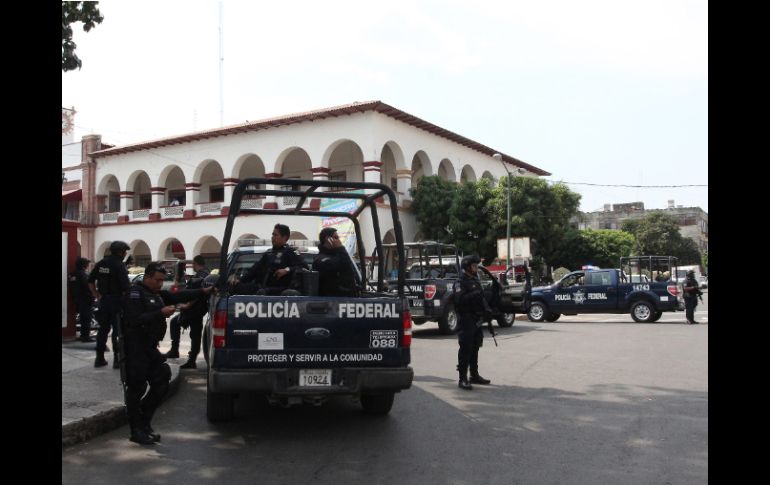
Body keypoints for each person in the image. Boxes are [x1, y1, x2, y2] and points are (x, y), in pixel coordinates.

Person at [122, 261, 214, 445]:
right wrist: (160, 313)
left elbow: (179, 295)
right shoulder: (135, 294)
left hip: (149, 348)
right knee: (136, 389)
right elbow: (133, 320)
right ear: (147, 277)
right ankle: (136, 430)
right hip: (135, 348)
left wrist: (202, 291)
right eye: (157, 280)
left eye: (162, 280)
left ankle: (144, 422)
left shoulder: (156, 294)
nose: (159, 284)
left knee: (162, 380)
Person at [89, 241, 131, 368]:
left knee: (102, 330)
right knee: (118, 331)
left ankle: (99, 358)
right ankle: (117, 360)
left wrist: (97, 295)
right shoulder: (119, 265)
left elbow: (90, 280)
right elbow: (126, 287)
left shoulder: (102, 263)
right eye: (124, 251)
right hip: (117, 301)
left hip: (104, 301)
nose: (125, 254)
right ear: (119, 252)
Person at [231, 223, 307, 295]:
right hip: (262, 288)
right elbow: (254, 270)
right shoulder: (269, 253)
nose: (272, 237)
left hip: (279, 291)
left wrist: (287, 270)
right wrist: (239, 280)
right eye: (272, 234)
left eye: (276, 235)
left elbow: (304, 267)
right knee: (233, 286)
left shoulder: (290, 252)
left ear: (284, 237)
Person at [452, 254, 492, 390]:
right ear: (467, 267)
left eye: (476, 266)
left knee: (475, 347)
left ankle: (474, 375)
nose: (476, 268)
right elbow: (459, 300)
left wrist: (487, 310)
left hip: (476, 319)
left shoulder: (475, 280)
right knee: (465, 348)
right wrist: (474, 294)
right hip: (466, 319)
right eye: (474, 266)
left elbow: (481, 298)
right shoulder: (460, 282)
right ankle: (462, 378)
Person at [165, 255, 210, 369]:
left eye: (193, 264)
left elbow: (198, 293)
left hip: (195, 310)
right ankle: (177, 352)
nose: (193, 267)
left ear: (196, 263)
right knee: (177, 324)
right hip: (196, 310)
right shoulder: (205, 274)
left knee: (194, 333)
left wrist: (187, 305)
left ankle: (190, 359)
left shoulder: (201, 275)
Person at [312, 227, 358, 297]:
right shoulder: (320, 259)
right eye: (336, 237)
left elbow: (348, 269)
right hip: (332, 301)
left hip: (347, 300)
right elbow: (342, 264)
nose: (339, 241)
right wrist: (340, 248)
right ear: (328, 239)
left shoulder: (338, 255)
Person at [69, 257, 95, 342]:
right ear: (84, 265)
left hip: (77, 299)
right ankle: (85, 337)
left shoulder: (72, 274)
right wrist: (93, 294)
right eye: (87, 264)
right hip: (85, 299)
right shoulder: (83, 274)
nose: (88, 265)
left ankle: (83, 335)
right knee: (86, 319)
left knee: (83, 318)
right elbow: (88, 286)